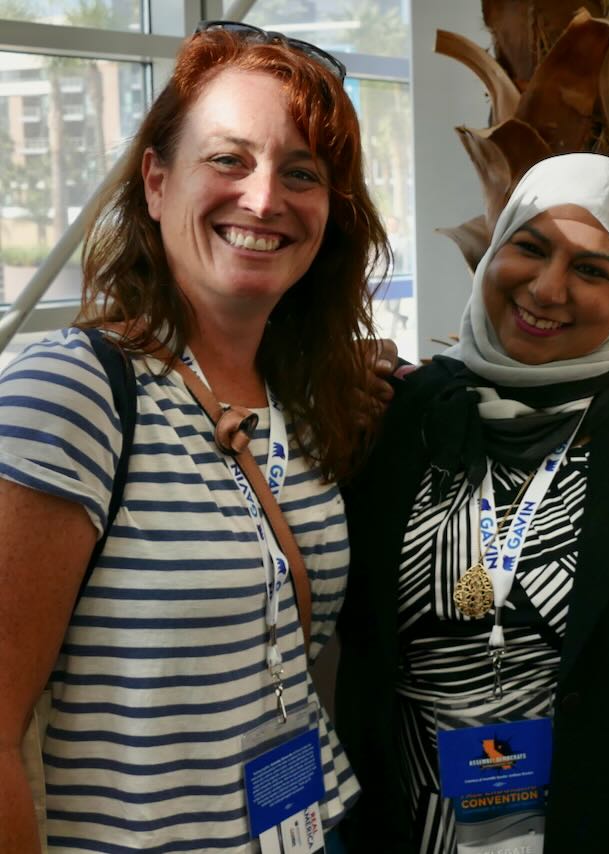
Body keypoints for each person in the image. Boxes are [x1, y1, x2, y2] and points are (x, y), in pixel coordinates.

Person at [0, 24, 388, 851]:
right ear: (156, 179)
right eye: (229, 159)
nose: (263, 198)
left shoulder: (307, 402)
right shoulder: (71, 393)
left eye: (302, 173)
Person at [335, 153, 609, 853]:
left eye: (592, 270)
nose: (547, 287)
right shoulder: (395, 421)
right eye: (529, 248)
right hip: (407, 830)